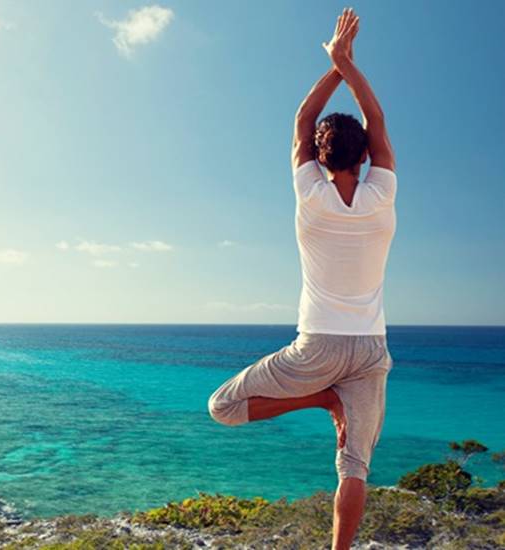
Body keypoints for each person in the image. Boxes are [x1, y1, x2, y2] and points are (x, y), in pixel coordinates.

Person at [206, 8, 397, 550]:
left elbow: (300, 121)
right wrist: (349, 67)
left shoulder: (309, 197)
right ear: (366, 157)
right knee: (354, 467)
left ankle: (318, 401)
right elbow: (377, 120)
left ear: (317, 155)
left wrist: (335, 66)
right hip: (370, 352)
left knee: (222, 407)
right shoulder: (382, 198)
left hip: (317, 351)